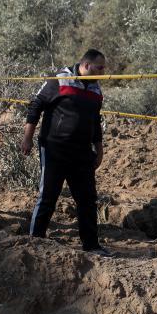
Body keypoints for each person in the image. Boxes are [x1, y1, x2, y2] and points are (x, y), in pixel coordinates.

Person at [21, 50, 110, 256]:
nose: (103, 72)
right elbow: (36, 106)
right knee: (48, 196)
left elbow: (95, 121)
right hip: (54, 148)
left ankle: (91, 246)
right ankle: (35, 242)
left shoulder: (96, 89)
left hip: (82, 152)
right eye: (99, 68)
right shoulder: (59, 80)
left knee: (87, 199)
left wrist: (99, 149)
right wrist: (27, 137)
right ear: (86, 65)